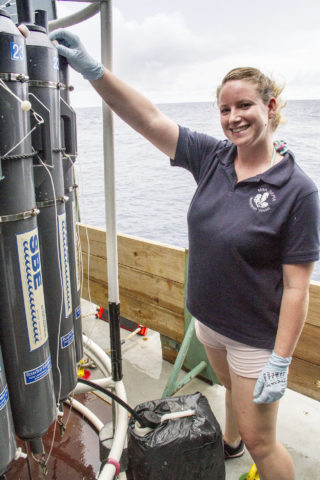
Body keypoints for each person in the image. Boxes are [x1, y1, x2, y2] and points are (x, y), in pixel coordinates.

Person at [50, 29, 320, 480]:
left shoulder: (298, 191)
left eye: (245, 106)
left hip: (255, 338)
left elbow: (297, 286)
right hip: (209, 322)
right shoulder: (214, 157)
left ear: (270, 109)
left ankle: (245, 445)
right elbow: (148, 118)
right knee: (230, 389)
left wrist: (280, 360)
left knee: (265, 443)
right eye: (225, 109)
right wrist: (94, 73)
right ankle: (230, 445)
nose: (233, 118)